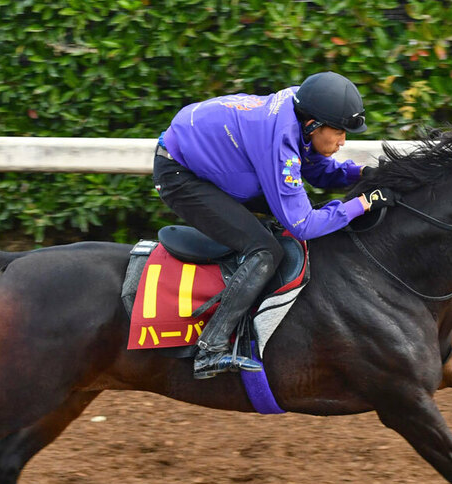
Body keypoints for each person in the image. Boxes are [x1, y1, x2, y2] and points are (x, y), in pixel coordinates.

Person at [152, 71, 394, 379]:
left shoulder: (304, 107)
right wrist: (362, 204)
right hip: (181, 175)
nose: (343, 141)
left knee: (302, 217)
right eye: (340, 132)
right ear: (313, 125)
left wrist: (361, 174)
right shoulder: (280, 141)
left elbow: (318, 172)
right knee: (264, 250)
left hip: (221, 159)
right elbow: (304, 225)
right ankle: (210, 349)